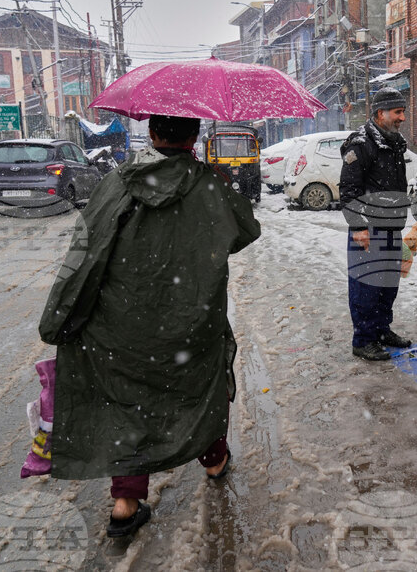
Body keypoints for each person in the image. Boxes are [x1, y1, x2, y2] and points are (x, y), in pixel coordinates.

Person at [37, 114, 261, 538]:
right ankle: (214, 459)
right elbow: (246, 231)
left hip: (124, 323)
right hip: (193, 316)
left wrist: (60, 320)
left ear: (153, 135)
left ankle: (125, 502)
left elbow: (86, 255)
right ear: (195, 137)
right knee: (199, 390)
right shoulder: (211, 183)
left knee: (128, 406)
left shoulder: (119, 182)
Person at [340, 87, 413, 361]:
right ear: (381, 113)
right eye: (398, 112)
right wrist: (357, 226)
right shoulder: (360, 143)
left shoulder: (393, 141)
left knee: (387, 285)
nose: (402, 117)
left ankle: (382, 330)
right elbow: (348, 188)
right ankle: (363, 340)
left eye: (403, 111)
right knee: (366, 286)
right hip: (368, 229)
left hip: (391, 226)